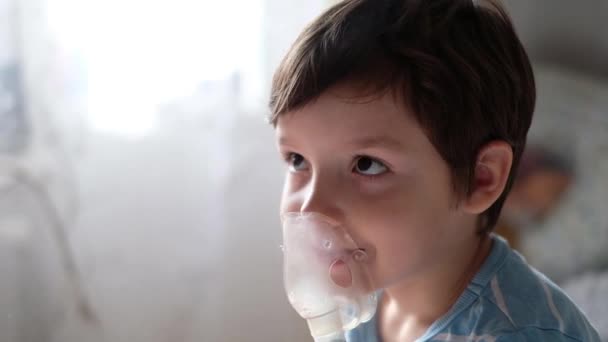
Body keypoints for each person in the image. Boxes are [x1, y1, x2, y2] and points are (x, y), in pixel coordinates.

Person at [268, 0, 601, 341]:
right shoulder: (376, 287)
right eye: (297, 160)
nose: (312, 206)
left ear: (479, 179)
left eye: (367, 164)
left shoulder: (510, 334)